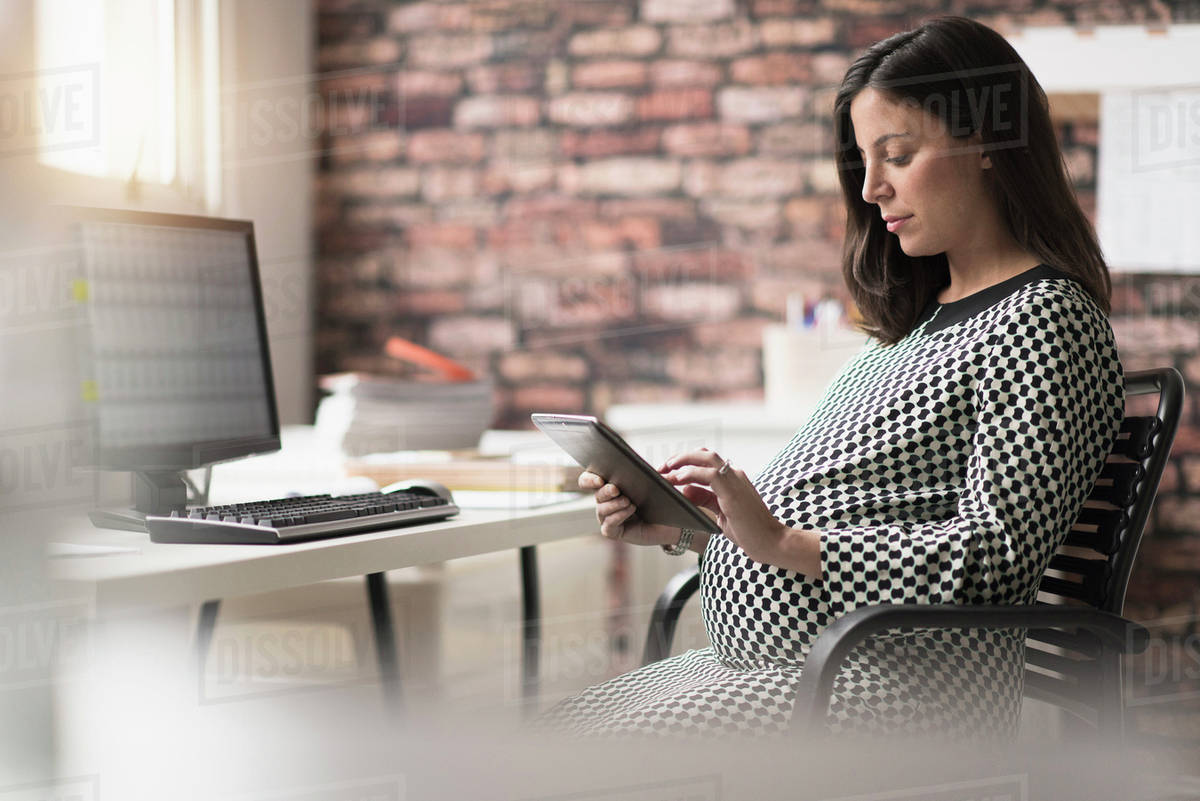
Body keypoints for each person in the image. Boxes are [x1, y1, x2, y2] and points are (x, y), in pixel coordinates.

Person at [533, 16, 1124, 739]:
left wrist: (782, 545)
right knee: (542, 740)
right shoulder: (910, 330)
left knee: (571, 761)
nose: (872, 188)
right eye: (864, 162)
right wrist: (700, 530)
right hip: (793, 668)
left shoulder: (1044, 319)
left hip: (899, 690)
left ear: (987, 144)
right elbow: (871, 516)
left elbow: (992, 560)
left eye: (898, 155)